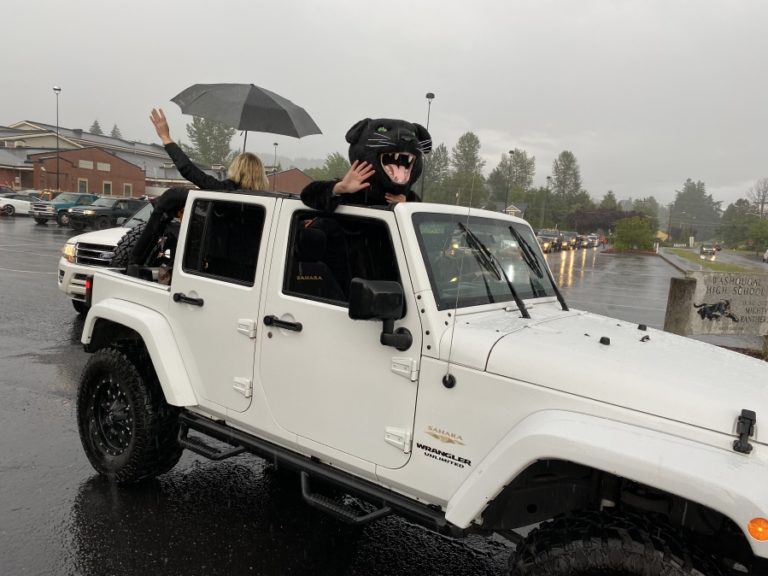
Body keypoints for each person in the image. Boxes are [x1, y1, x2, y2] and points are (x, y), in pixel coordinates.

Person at [301, 117, 431, 212]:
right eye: (382, 130)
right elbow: (307, 195)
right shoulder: (354, 191)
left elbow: (425, 219)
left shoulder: (408, 199)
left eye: (413, 134)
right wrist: (340, 187)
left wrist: (406, 206)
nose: (407, 138)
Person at [150, 108, 269, 191]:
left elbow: (190, 171)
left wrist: (166, 137)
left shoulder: (226, 190)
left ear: (237, 169)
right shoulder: (268, 201)